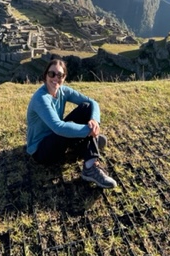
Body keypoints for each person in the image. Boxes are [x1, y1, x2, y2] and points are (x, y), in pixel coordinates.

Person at [26, 58, 117, 189]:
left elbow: (93, 103)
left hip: (57, 138)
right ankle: (89, 154)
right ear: (45, 75)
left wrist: (94, 121)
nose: (55, 78)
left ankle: (87, 157)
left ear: (64, 77)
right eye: (52, 74)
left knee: (86, 107)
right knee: (72, 129)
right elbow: (58, 127)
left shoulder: (63, 91)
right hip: (41, 150)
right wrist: (88, 131)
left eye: (60, 75)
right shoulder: (41, 98)